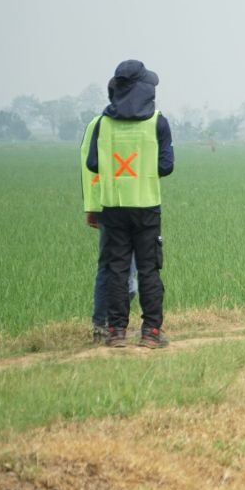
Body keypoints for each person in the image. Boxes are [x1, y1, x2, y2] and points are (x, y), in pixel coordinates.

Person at [85, 60, 174, 348]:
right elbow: (166, 166)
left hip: (113, 207)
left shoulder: (102, 123)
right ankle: (151, 333)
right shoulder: (157, 121)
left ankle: (116, 333)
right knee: (149, 269)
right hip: (146, 206)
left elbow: (93, 163)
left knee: (117, 270)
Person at [79, 115, 138, 342]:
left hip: (137, 206)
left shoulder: (143, 120)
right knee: (117, 273)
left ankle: (111, 325)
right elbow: (90, 169)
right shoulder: (99, 124)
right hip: (111, 207)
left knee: (127, 278)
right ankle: (104, 327)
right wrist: (93, 207)